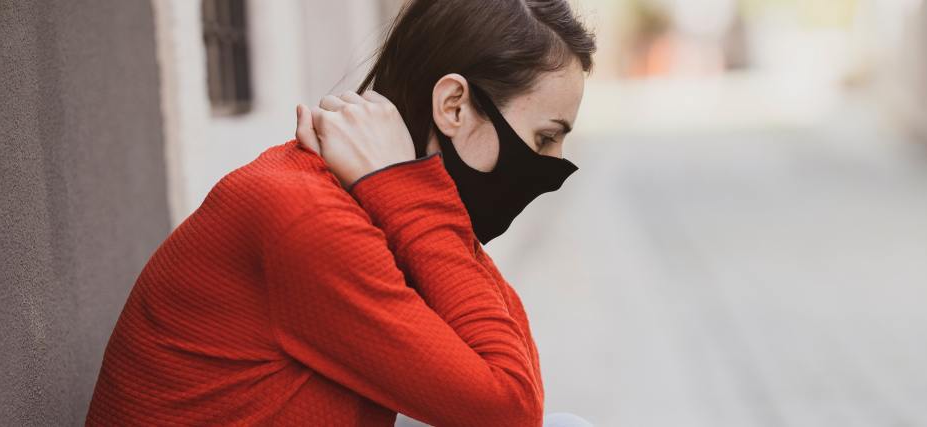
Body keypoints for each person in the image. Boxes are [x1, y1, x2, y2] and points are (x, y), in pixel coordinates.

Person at [86, 0, 596, 425]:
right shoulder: (304, 213)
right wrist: (409, 194)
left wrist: (410, 194)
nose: (548, 167)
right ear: (455, 106)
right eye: (544, 137)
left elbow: (515, 365)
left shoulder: (385, 203)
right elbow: (509, 410)